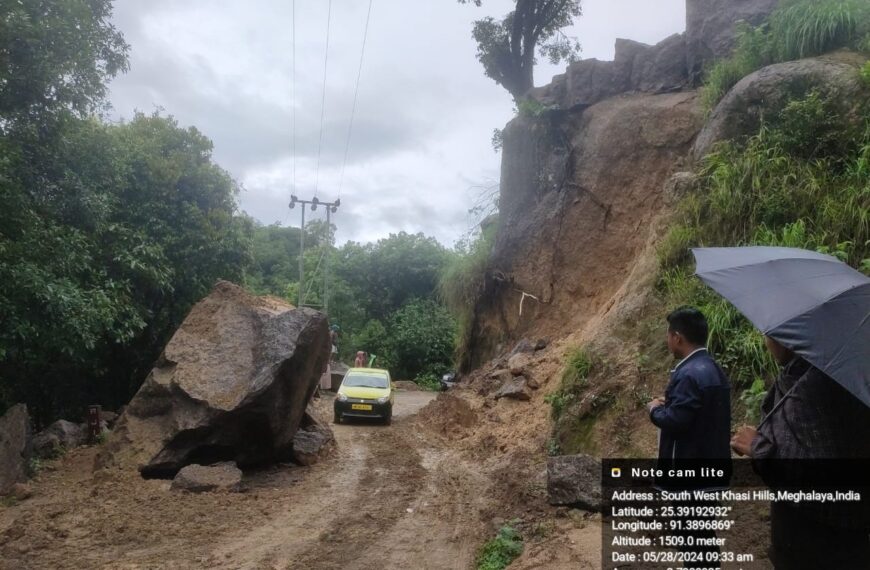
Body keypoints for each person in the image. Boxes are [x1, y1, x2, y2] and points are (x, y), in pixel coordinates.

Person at [731, 336, 870, 569]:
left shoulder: (813, 385)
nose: (767, 343)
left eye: (769, 336)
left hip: (813, 540)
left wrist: (758, 447)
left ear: (785, 338)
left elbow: (819, 472)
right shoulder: (850, 372)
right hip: (852, 530)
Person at [647, 306, 732, 566]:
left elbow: (676, 421)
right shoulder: (713, 369)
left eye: (668, 334)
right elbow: (698, 414)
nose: (667, 340)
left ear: (678, 337)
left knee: (690, 538)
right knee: (702, 536)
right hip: (711, 470)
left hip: (690, 475)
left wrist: (655, 410)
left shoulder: (688, 374)